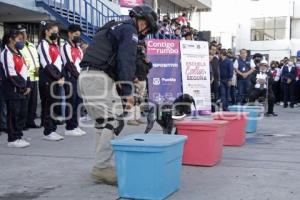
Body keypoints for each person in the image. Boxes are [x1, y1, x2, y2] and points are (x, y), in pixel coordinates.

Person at [78, 5, 158, 185]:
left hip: (87, 76)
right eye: (148, 29)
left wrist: (128, 80)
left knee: (102, 123)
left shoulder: (113, 26)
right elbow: (126, 60)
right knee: (113, 122)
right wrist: (128, 91)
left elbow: (111, 58)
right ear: (143, 21)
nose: (145, 33)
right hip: (98, 79)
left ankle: (101, 164)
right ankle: (101, 167)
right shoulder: (130, 30)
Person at [0, 29, 31, 147]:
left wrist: (27, 85)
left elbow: (24, 70)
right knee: (13, 113)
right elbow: (10, 73)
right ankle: (12, 139)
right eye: (19, 39)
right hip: (13, 89)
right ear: (11, 40)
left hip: (22, 87)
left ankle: (19, 135)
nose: (21, 42)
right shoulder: (6, 53)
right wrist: (21, 87)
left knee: (22, 113)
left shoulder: (19, 53)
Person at [37, 22, 64, 141]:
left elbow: (59, 63)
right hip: (48, 79)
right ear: (46, 31)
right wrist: (57, 77)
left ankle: (52, 129)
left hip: (56, 78)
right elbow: (47, 64)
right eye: (54, 32)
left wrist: (61, 76)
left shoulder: (55, 45)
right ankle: (48, 131)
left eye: (57, 32)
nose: (56, 34)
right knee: (48, 105)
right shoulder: (43, 44)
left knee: (54, 104)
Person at [61, 24, 86, 136]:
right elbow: (69, 64)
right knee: (71, 103)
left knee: (78, 103)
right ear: (70, 34)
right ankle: (69, 128)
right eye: (76, 34)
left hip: (79, 79)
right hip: (71, 79)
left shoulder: (79, 48)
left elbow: (82, 63)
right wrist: (79, 76)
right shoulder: (65, 47)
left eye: (79, 35)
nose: (77, 37)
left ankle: (75, 125)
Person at [16, 25, 41, 129]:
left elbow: (35, 60)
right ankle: (23, 123)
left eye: (25, 32)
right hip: (26, 77)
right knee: (25, 102)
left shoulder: (30, 45)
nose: (24, 35)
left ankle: (31, 121)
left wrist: (36, 73)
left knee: (33, 102)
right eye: (21, 33)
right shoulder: (18, 46)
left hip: (34, 76)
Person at [128, 40, 152, 126]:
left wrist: (148, 62)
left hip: (143, 80)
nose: (143, 48)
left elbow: (150, 66)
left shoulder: (143, 57)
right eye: (141, 46)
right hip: (136, 80)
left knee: (139, 100)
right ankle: (131, 119)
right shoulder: (133, 56)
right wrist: (133, 77)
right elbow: (130, 68)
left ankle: (137, 117)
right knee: (133, 100)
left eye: (143, 47)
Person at [209, 46, 220, 112]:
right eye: (212, 49)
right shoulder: (206, 57)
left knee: (215, 94)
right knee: (209, 94)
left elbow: (218, 70)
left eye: (215, 50)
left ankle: (214, 109)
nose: (214, 51)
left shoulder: (216, 59)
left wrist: (219, 80)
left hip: (215, 80)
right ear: (209, 50)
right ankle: (209, 108)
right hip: (209, 80)